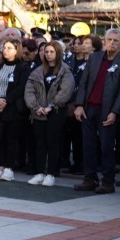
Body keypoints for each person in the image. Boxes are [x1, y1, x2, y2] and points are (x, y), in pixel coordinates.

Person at [73, 28, 120, 194]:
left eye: (116, 41)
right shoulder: (95, 57)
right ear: (104, 41)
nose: (112, 43)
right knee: (88, 146)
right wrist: (79, 105)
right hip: (89, 108)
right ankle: (90, 179)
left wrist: (115, 112)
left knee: (107, 147)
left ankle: (108, 182)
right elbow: (84, 82)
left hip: (107, 110)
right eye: (109, 39)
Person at [24, 38, 75, 187]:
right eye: (46, 52)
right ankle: (40, 172)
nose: (48, 54)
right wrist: (35, 106)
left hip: (56, 112)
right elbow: (29, 90)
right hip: (38, 112)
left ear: (58, 53)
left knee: (53, 143)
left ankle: (51, 173)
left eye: (51, 52)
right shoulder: (37, 71)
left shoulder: (65, 70)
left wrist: (51, 106)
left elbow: (66, 90)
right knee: (40, 143)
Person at [0, 35, 33, 181]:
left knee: (11, 139)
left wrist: (6, 100)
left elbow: (20, 87)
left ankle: (9, 168)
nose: (5, 51)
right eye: (4, 48)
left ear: (17, 50)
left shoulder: (22, 68)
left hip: (12, 108)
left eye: (9, 48)